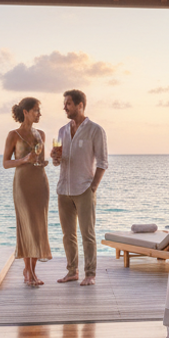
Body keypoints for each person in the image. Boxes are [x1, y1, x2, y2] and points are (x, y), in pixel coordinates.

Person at [50, 89, 108, 286]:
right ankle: (71, 272)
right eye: (65, 103)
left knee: (87, 234)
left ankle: (90, 273)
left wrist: (93, 188)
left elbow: (102, 162)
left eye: (68, 103)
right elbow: (58, 162)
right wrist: (55, 158)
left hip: (84, 189)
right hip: (63, 190)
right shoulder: (62, 131)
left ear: (79, 105)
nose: (64, 107)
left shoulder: (95, 130)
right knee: (68, 235)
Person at [3, 97, 52, 286]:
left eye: (39, 111)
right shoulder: (13, 135)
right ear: (26, 112)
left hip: (40, 182)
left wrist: (44, 160)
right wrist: (24, 160)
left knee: (39, 226)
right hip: (23, 185)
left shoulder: (41, 134)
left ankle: (31, 270)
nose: (39, 114)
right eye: (36, 111)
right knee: (26, 224)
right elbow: (6, 163)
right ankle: (29, 272)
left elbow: (40, 158)